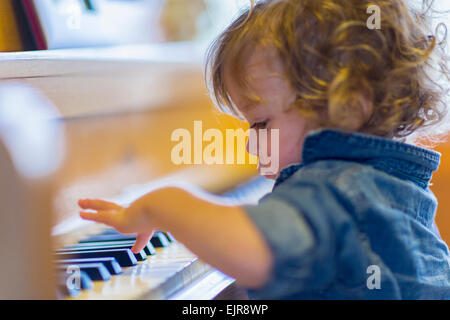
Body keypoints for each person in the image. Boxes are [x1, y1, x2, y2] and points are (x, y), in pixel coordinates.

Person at [79, 0, 450, 299]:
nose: (251, 142)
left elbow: (257, 250)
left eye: (260, 123)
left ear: (349, 107)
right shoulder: (390, 186)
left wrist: (163, 205)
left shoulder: (337, 189)